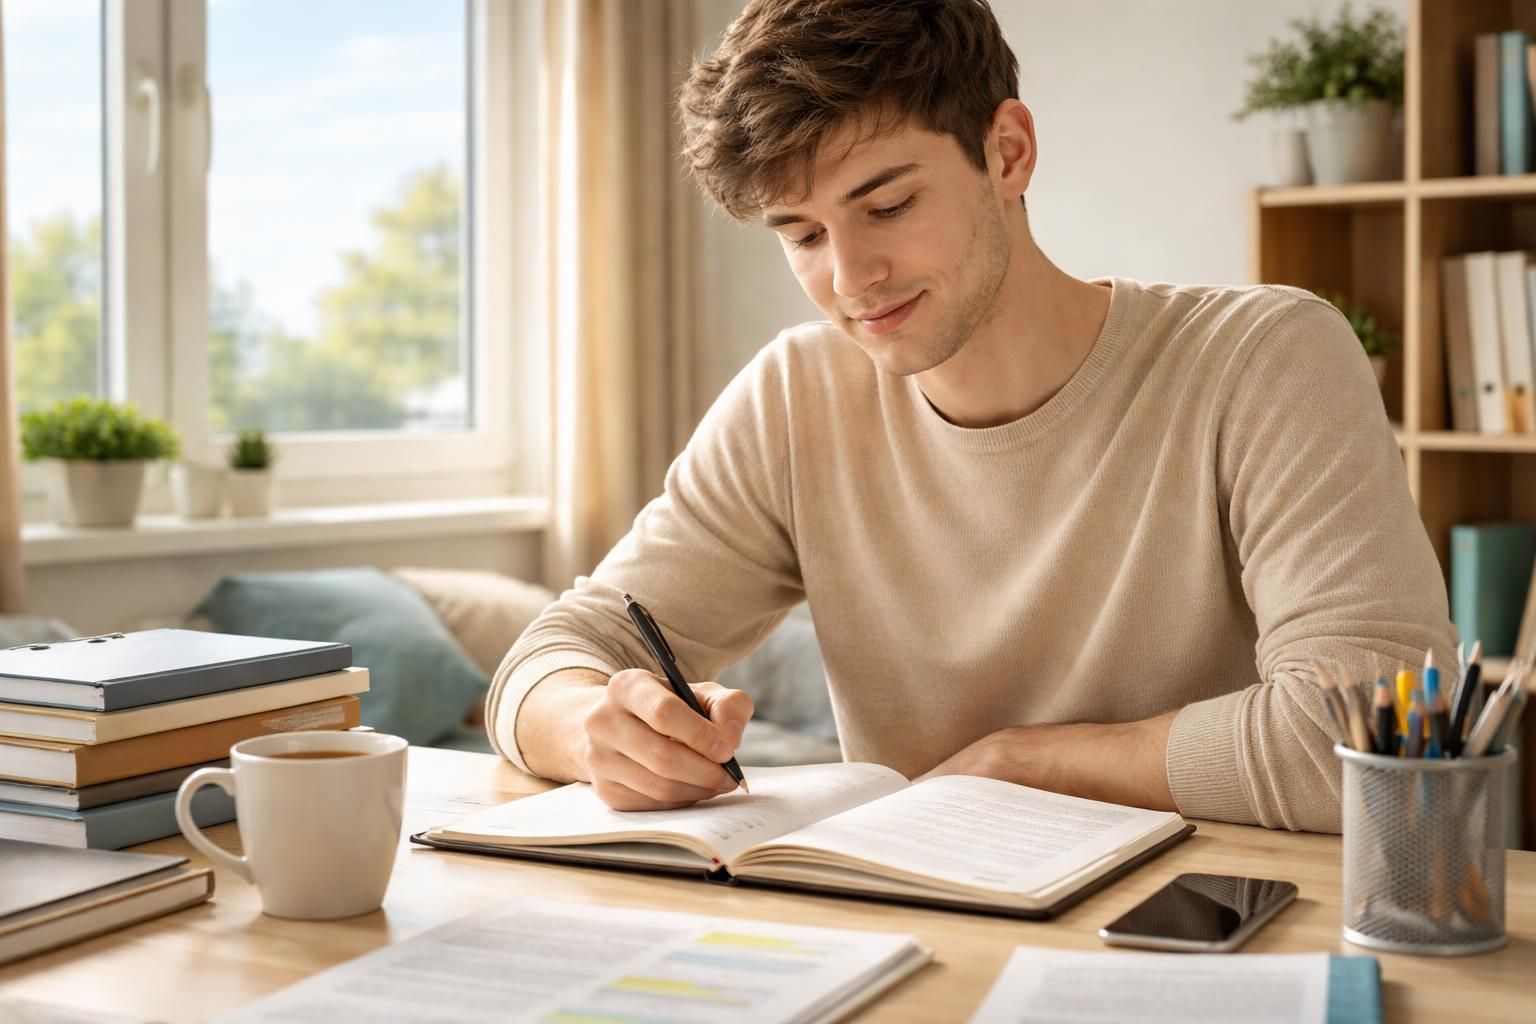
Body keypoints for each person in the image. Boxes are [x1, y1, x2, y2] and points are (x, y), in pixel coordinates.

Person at [487, 0, 1454, 833]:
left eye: (888, 206)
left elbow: (1382, 730)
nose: (850, 278)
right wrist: (593, 730)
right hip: (928, 929)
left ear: (1008, 152)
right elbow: (551, 657)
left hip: (1212, 932)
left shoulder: (1264, 359)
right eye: (804, 234)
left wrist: (1024, 763)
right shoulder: (794, 399)